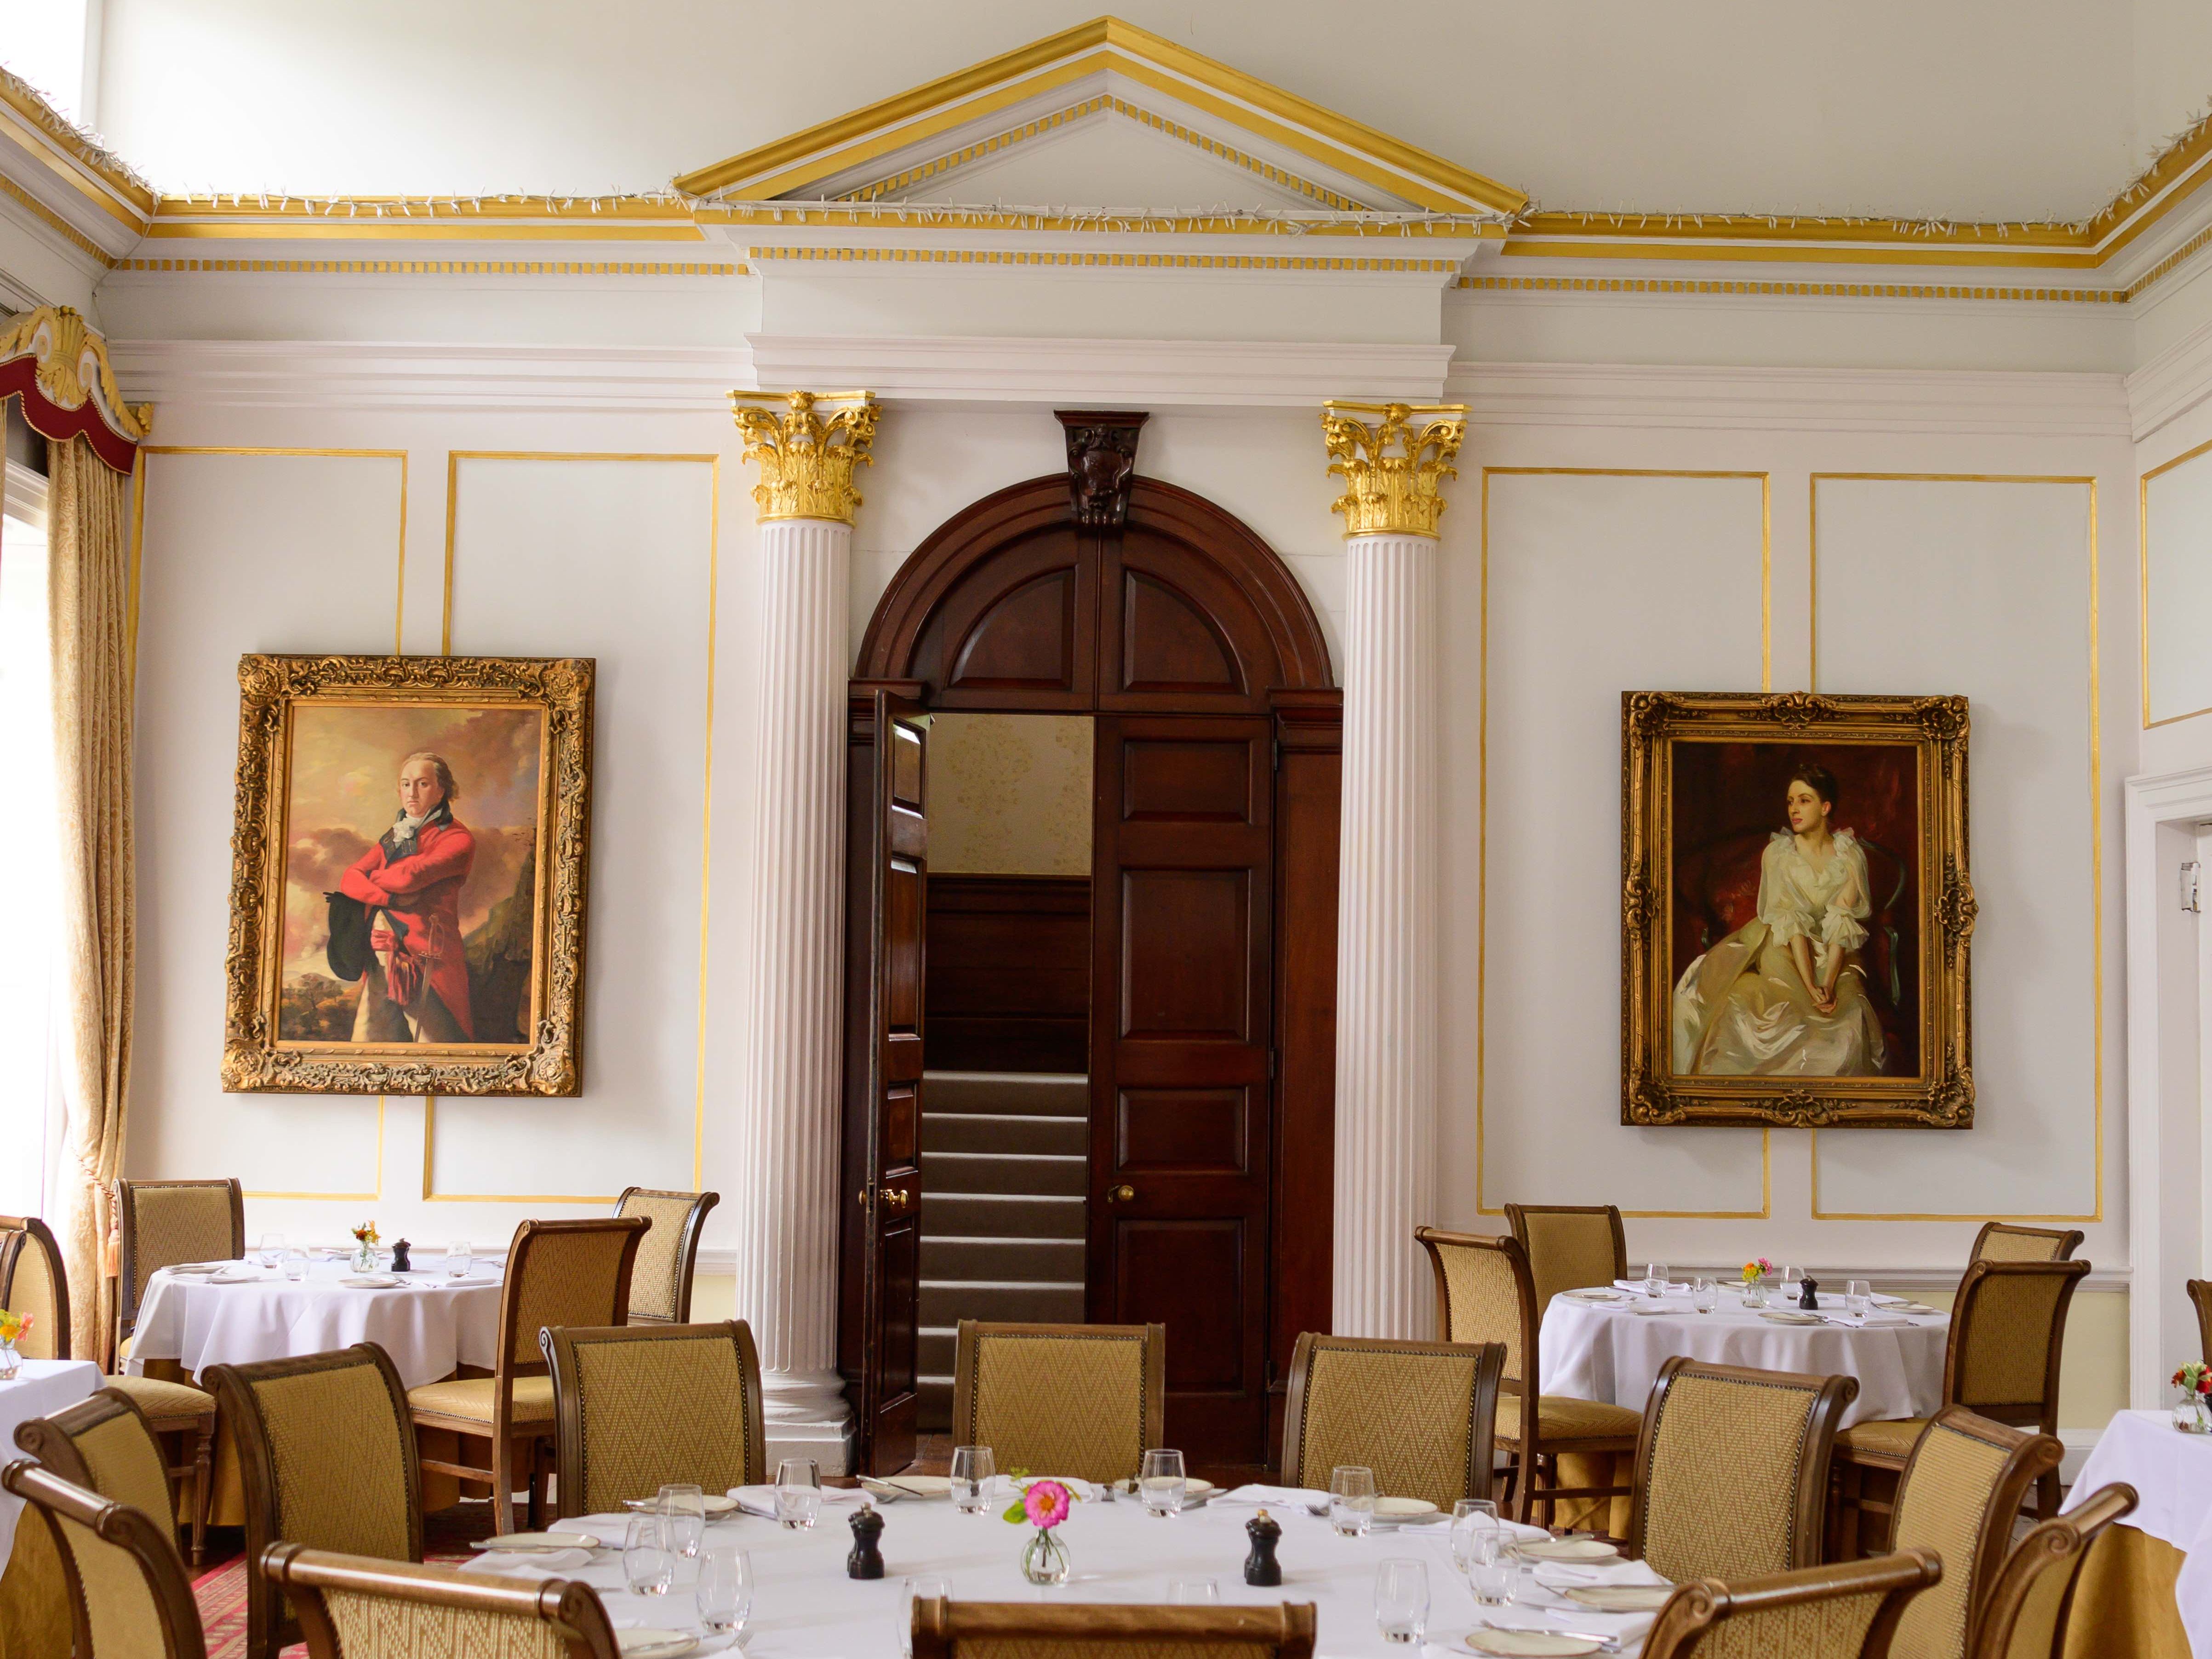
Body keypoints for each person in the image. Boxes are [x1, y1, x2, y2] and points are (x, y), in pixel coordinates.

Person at [1670, 762, 1886, 1077]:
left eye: (1804, 800)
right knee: (1764, 1011)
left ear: (1825, 807)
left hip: (1835, 949)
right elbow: (1792, 923)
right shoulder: (1778, 853)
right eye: (1790, 801)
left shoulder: (1850, 855)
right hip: (1785, 944)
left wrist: (1825, 984)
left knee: (1846, 1016)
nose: (1794, 810)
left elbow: (1842, 923)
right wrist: (1809, 983)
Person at [338, 750, 476, 1042]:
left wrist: (371, 879)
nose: (411, 793)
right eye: (405, 784)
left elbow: (408, 877)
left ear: (442, 790)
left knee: (434, 1043)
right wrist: (389, 900)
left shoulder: (457, 838)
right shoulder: (396, 835)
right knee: (371, 1039)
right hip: (381, 952)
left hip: (426, 956)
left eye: (422, 784)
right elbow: (349, 878)